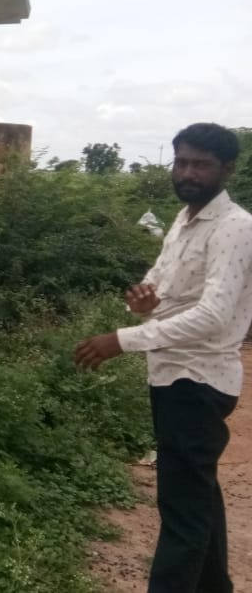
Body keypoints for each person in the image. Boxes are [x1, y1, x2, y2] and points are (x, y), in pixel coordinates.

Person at [75, 122, 252, 593]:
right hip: (173, 374)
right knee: (199, 497)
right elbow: (162, 279)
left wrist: (124, 337)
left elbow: (214, 315)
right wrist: (144, 300)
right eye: (181, 161)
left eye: (201, 164)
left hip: (198, 379)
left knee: (182, 515)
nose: (188, 172)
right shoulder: (184, 218)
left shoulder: (234, 227)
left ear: (227, 169)